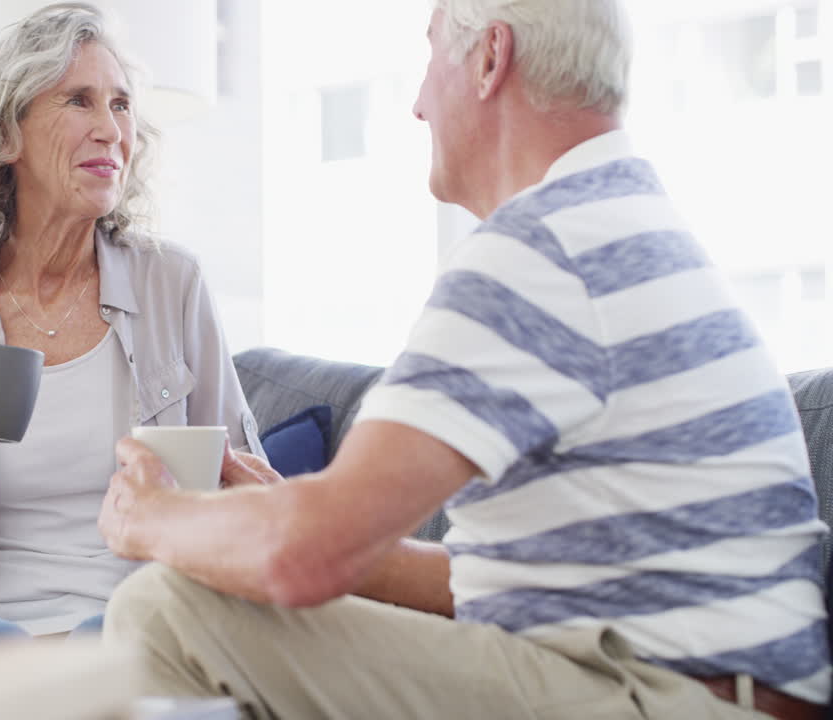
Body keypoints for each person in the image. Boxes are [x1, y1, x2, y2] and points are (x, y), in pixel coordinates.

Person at [97, 1, 830, 718]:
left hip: (663, 696)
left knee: (166, 611)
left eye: (429, 53)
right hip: (704, 687)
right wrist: (270, 518)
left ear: (489, 58)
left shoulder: (540, 248)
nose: (418, 104)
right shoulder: (626, 225)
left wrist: (152, 518)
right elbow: (514, 582)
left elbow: (301, 557)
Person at [0, 3, 262, 658]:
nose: (111, 129)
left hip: (141, 629)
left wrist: (194, 501)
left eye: (121, 105)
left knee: (106, 647)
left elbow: (251, 493)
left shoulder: (173, 285)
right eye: (79, 101)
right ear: (8, 136)